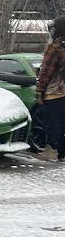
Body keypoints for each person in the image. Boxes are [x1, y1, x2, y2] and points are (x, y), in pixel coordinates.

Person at [35, 15, 65, 161]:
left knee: (54, 124)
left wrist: (39, 91)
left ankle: (54, 152)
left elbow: (46, 71)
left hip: (56, 93)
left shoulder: (55, 48)